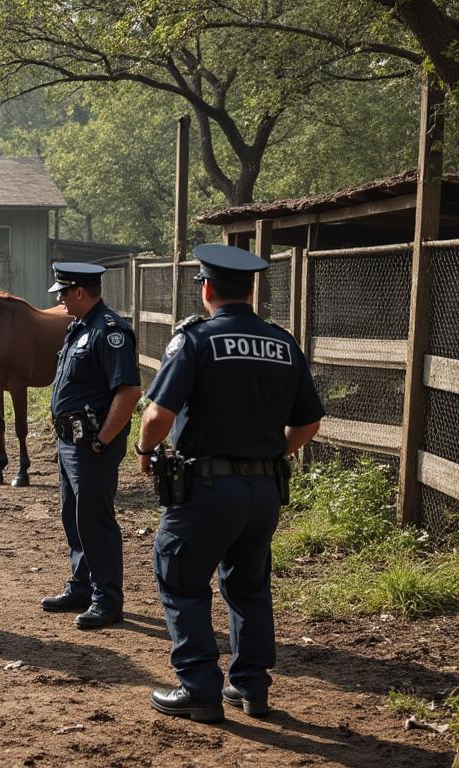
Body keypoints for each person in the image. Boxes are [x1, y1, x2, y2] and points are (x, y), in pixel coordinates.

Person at [137, 244, 324, 722]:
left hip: (205, 491)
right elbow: (309, 424)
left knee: (181, 580)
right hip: (263, 493)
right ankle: (251, 689)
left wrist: (144, 450)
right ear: (252, 290)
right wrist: (269, 456)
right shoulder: (283, 344)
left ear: (206, 288)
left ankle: (198, 687)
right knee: (249, 588)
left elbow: (158, 414)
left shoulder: (195, 340)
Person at [40, 262, 141, 629]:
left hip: (92, 443)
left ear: (79, 292)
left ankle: (107, 599)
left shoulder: (110, 331)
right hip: (71, 440)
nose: (60, 300)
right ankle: (81, 587)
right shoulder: (79, 328)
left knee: (95, 519)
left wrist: (103, 439)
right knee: (74, 515)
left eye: (63, 293)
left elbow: (128, 391)